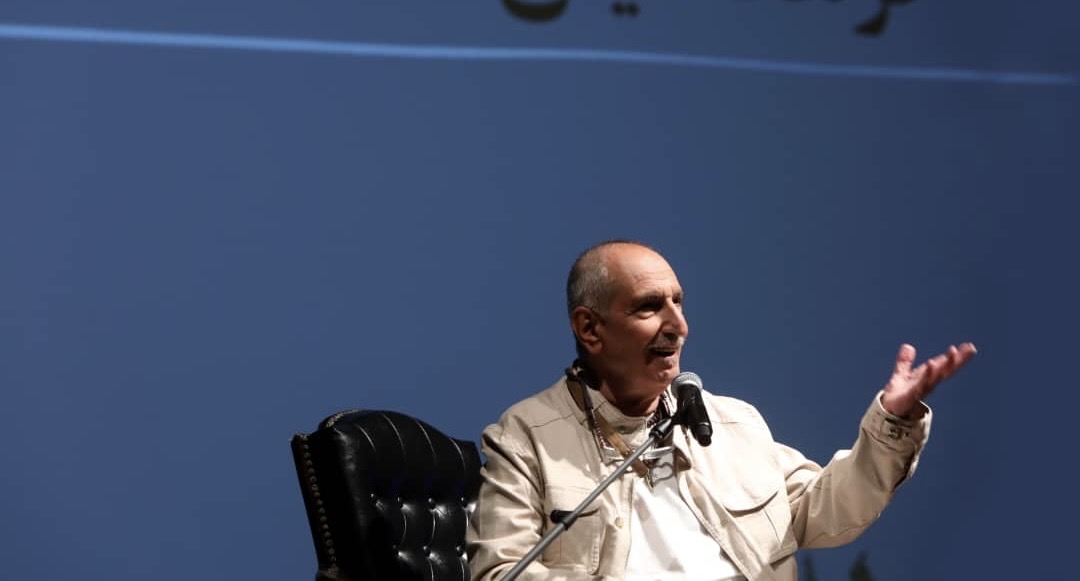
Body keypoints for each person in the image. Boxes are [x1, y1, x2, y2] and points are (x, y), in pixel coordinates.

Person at [465, 240, 976, 581]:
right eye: (649, 306)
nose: (678, 325)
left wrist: (892, 420)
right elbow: (500, 572)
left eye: (679, 302)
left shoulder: (732, 423)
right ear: (590, 328)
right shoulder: (525, 436)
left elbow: (829, 511)